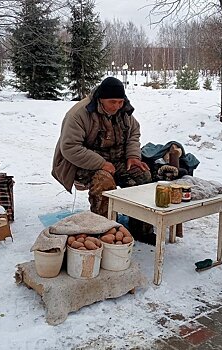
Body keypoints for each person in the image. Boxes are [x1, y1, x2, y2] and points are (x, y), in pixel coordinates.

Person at [52, 77, 155, 244]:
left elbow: (134, 133)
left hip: (117, 160)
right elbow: (70, 148)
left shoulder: (124, 111)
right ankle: (103, 230)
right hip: (84, 163)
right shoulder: (79, 113)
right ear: (100, 99)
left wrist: (133, 156)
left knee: (143, 175)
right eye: (112, 102)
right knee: (104, 180)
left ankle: (141, 228)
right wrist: (101, 164)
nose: (116, 106)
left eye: (120, 102)